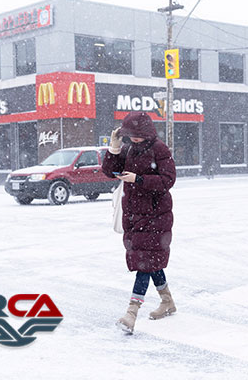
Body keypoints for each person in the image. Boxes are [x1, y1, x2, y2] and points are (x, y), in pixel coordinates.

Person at [102, 111, 177, 333]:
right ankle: (167, 301)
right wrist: (114, 148)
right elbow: (109, 172)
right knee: (149, 261)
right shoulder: (128, 149)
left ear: (146, 133)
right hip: (134, 215)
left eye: (136, 135)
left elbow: (168, 180)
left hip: (156, 216)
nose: (133, 139)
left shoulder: (159, 149)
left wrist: (140, 179)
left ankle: (131, 313)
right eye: (129, 135)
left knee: (144, 264)